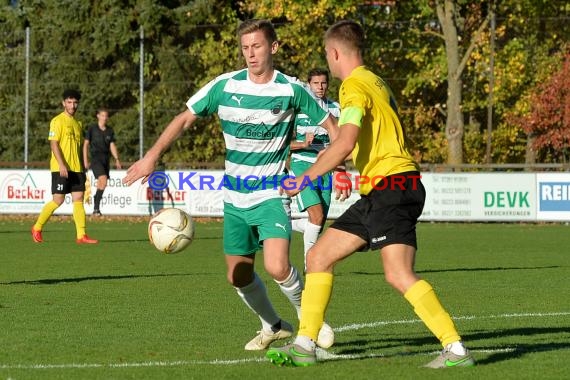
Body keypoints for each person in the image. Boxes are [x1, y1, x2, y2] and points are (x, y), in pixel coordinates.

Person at [266, 20, 475, 368]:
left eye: (327, 57)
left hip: (392, 187)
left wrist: (305, 178)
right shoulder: (376, 80)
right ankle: (305, 344)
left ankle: (455, 348)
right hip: (383, 189)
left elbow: (345, 141)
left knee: (398, 273)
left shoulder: (353, 87)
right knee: (318, 256)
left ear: (334, 53)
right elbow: (359, 142)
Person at [122, 19, 341, 351]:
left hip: (271, 191)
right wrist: (152, 156)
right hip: (234, 196)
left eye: (257, 46)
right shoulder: (224, 86)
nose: (250, 54)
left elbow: (336, 130)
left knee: (277, 265)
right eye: (245, 48)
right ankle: (273, 325)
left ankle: (310, 321)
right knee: (237, 276)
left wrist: (338, 169)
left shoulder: (292, 89)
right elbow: (184, 118)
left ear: (274, 47)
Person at [31, 89, 98, 244]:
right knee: (58, 200)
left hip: (77, 169)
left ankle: (81, 235)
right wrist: (61, 164)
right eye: (69, 102)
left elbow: (79, 147)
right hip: (61, 168)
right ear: (63, 103)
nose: (72, 105)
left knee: (79, 199)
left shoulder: (77, 123)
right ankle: (37, 227)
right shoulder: (57, 121)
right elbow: (53, 144)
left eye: (75, 102)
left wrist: (83, 165)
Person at [290, 68, 341, 272]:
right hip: (302, 165)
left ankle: (284, 224)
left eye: (323, 83)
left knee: (316, 222)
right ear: (308, 85)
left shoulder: (336, 109)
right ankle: (309, 265)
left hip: (326, 168)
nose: (320, 87)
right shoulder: (298, 110)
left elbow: (343, 141)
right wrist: (302, 144)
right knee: (317, 216)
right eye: (315, 84)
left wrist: (338, 168)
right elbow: (282, 144)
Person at [83, 107, 122, 216]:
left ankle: (96, 207)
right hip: (96, 159)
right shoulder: (92, 129)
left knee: (102, 184)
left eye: (106, 116)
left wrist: (117, 159)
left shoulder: (110, 130)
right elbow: (85, 144)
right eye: (102, 115)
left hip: (106, 159)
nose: (105, 118)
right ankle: (96, 205)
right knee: (103, 180)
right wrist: (85, 160)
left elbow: (112, 145)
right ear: (98, 116)